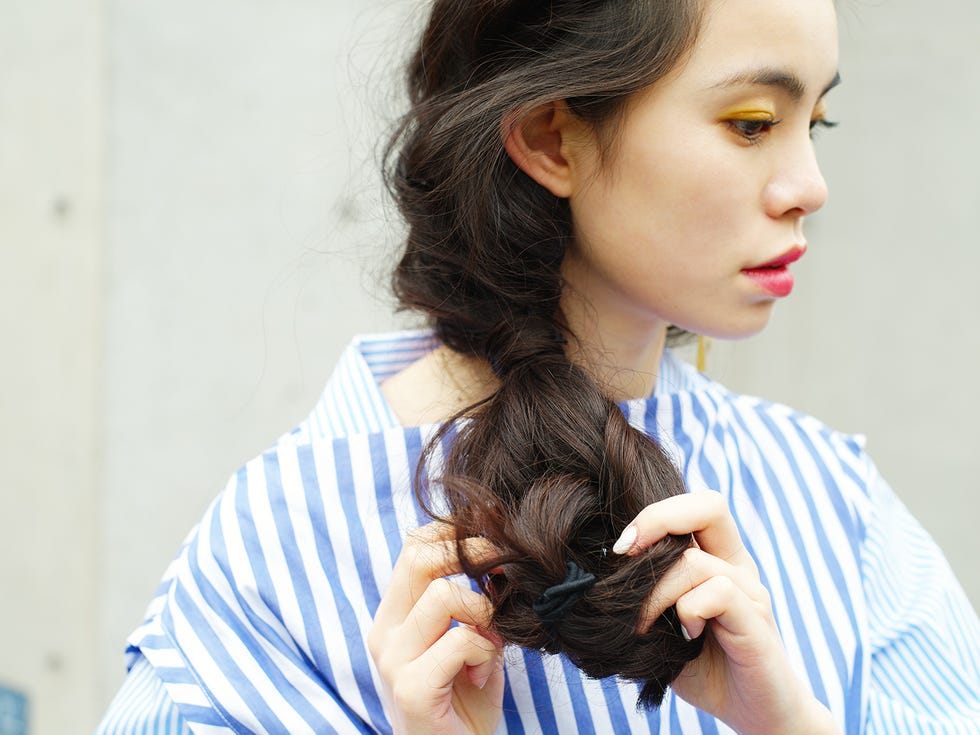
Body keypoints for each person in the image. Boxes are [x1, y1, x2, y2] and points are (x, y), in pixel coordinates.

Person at [95, 0, 980, 733]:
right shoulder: (278, 551)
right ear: (553, 141)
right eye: (752, 123)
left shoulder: (835, 498)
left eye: (814, 121)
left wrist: (792, 725)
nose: (811, 184)